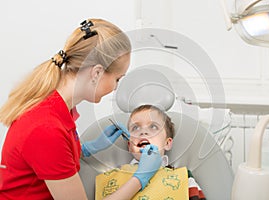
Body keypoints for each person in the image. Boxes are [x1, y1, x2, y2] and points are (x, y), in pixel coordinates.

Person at [0, 18, 161, 200]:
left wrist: (84, 149)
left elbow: (49, 158)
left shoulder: (57, 108)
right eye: (117, 79)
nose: (116, 87)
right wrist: (141, 178)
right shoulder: (46, 129)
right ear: (97, 72)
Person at [96, 104, 206, 200]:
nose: (143, 132)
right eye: (135, 128)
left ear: (167, 143)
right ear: (130, 146)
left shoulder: (183, 177)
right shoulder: (114, 178)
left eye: (153, 127)